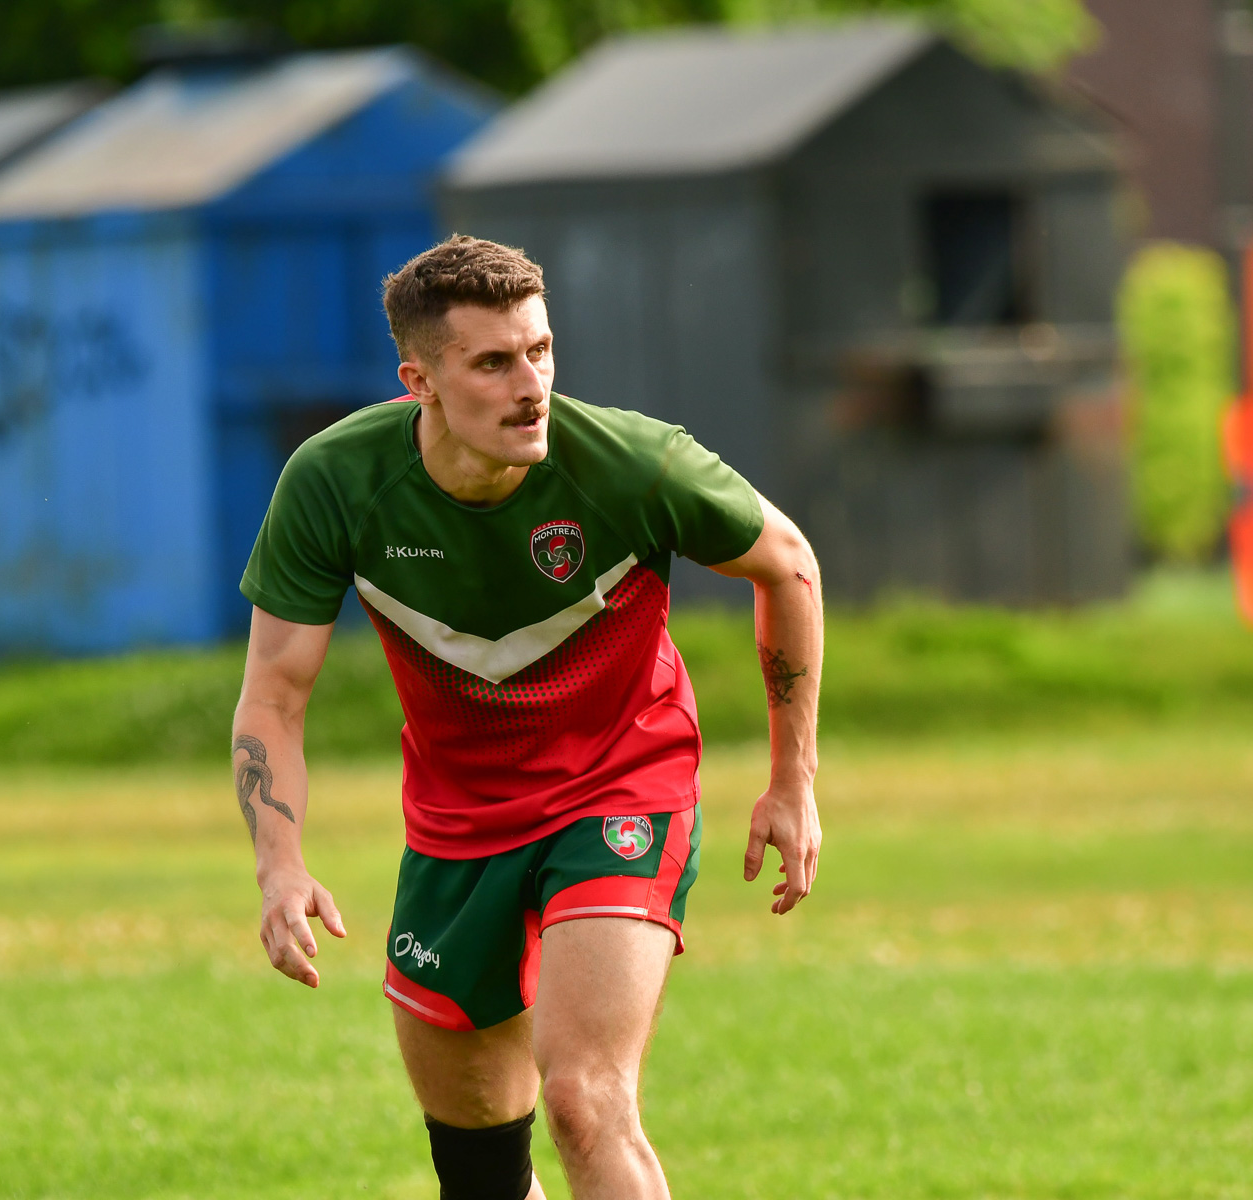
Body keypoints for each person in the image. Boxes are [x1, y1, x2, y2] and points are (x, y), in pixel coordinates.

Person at [231, 235, 823, 1199]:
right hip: (457, 825)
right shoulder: (335, 483)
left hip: (622, 786)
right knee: (479, 1171)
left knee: (587, 1102)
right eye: (494, 362)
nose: (531, 384)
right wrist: (279, 864)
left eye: (541, 351)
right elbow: (273, 694)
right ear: (418, 379)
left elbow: (788, 563)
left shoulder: (632, 462)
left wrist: (792, 781)